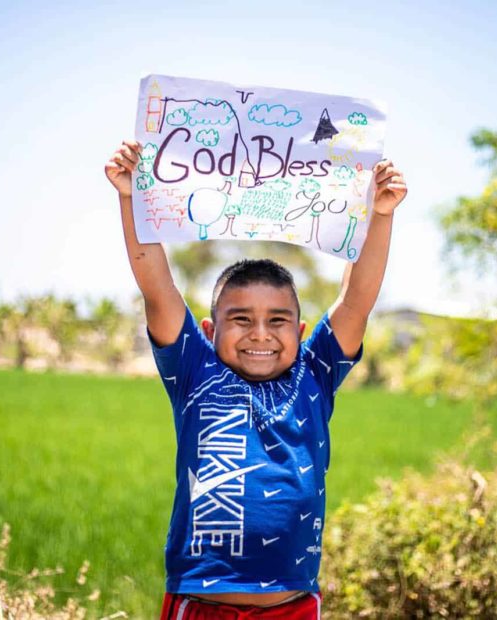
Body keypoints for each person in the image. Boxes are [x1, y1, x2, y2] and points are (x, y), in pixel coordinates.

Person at [105, 140, 407, 619]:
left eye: (278, 321)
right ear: (210, 331)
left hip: (291, 608)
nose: (260, 335)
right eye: (241, 319)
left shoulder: (315, 373)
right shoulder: (194, 370)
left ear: (302, 331)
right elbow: (157, 287)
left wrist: (380, 214)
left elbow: (355, 302)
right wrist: (130, 196)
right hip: (202, 605)